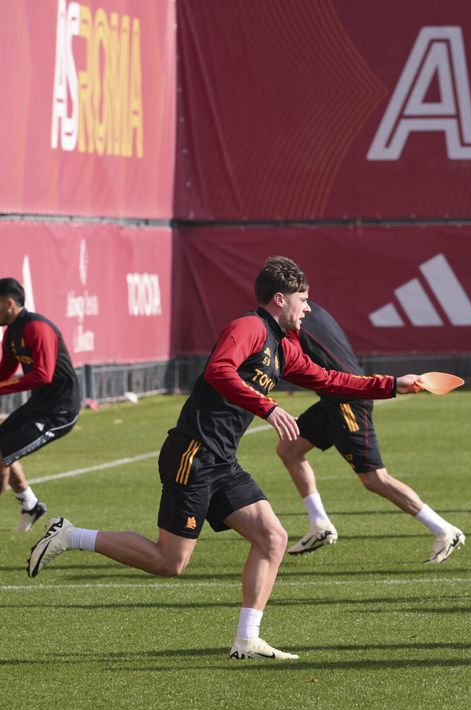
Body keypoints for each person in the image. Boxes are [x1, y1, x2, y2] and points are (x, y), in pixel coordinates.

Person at [27, 257, 422, 661]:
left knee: (272, 539)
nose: (307, 308)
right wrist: (268, 408)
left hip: (222, 460)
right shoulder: (248, 327)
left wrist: (393, 384)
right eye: (303, 300)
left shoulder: (285, 346)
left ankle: (246, 639)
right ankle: (70, 535)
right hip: (193, 453)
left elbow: (330, 379)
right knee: (169, 562)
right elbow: (219, 370)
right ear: (280, 299)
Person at [276, 300, 464, 563]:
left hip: (347, 399)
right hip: (335, 397)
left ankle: (444, 530)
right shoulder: (312, 310)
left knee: (375, 478)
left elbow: (289, 361)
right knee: (289, 449)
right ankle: (320, 524)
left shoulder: (295, 317)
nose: (304, 305)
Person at [0, 277, 81, 532]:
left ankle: (29, 504)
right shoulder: (10, 333)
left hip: (60, 411)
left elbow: (42, 375)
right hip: (38, 406)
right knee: (2, 449)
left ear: (9, 303)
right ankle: (31, 505)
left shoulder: (36, 327)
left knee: (1, 456)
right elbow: (5, 371)